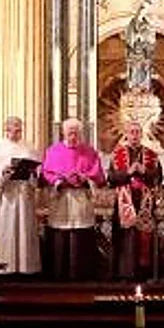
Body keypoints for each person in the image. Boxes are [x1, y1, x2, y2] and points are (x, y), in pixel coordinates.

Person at [41, 117, 105, 280]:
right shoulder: (53, 151)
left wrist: (85, 178)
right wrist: (60, 181)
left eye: (76, 133)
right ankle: (59, 275)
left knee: (80, 234)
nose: (73, 136)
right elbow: (46, 172)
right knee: (60, 233)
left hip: (81, 198)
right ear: (63, 133)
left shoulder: (89, 151)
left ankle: (81, 276)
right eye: (70, 133)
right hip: (61, 197)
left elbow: (98, 173)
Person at [0, 115, 41, 276]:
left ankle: (25, 267)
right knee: (6, 229)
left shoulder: (29, 147)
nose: (17, 133)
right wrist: (2, 171)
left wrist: (32, 172)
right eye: (14, 130)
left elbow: (38, 171)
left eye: (20, 130)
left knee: (24, 229)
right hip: (5, 194)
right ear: (6, 130)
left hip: (24, 193)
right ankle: (3, 267)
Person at [107, 120, 162, 279]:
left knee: (144, 237)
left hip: (145, 202)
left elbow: (158, 178)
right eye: (132, 132)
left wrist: (144, 170)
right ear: (126, 134)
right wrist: (128, 172)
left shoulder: (151, 154)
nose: (135, 135)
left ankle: (144, 273)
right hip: (124, 201)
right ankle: (125, 273)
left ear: (142, 134)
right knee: (126, 238)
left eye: (138, 132)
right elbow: (111, 178)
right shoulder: (117, 154)